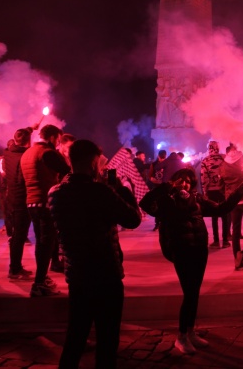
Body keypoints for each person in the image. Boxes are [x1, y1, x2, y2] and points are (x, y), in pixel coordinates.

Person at [48, 139, 141, 368]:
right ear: (92, 163)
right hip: (105, 273)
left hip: (77, 274)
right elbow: (133, 219)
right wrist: (120, 189)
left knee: (76, 336)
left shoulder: (56, 193)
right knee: (107, 339)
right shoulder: (100, 192)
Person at [140, 167, 243, 355]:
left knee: (194, 292)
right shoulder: (166, 200)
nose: (185, 183)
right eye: (181, 180)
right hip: (180, 250)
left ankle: (190, 332)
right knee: (189, 293)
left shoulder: (196, 199)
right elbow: (145, 203)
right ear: (174, 181)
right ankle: (181, 337)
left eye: (188, 180)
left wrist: (239, 193)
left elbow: (220, 210)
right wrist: (165, 187)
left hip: (199, 249)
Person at [20, 124, 71, 296]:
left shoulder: (27, 153)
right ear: (52, 137)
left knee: (41, 243)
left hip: (31, 202)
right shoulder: (47, 153)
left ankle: (41, 278)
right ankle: (39, 283)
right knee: (46, 243)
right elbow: (66, 171)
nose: (58, 143)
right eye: (57, 139)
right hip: (45, 201)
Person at [3, 127, 34, 280]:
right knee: (19, 236)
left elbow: (15, 141)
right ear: (28, 142)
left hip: (11, 199)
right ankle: (14, 269)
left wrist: (30, 129)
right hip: (22, 199)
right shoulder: (26, 156)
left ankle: (15, 267)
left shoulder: (8, 152)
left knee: (17, 235)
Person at [200, 141, 231, 248]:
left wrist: (205, 192)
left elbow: (204, 178)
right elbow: (228, 174)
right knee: (225, 215)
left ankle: (216, 241)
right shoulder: (224, 159)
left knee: (214, 216)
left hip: (212, 191)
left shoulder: (205, 160)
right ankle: (226, 240)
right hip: (223, 191)